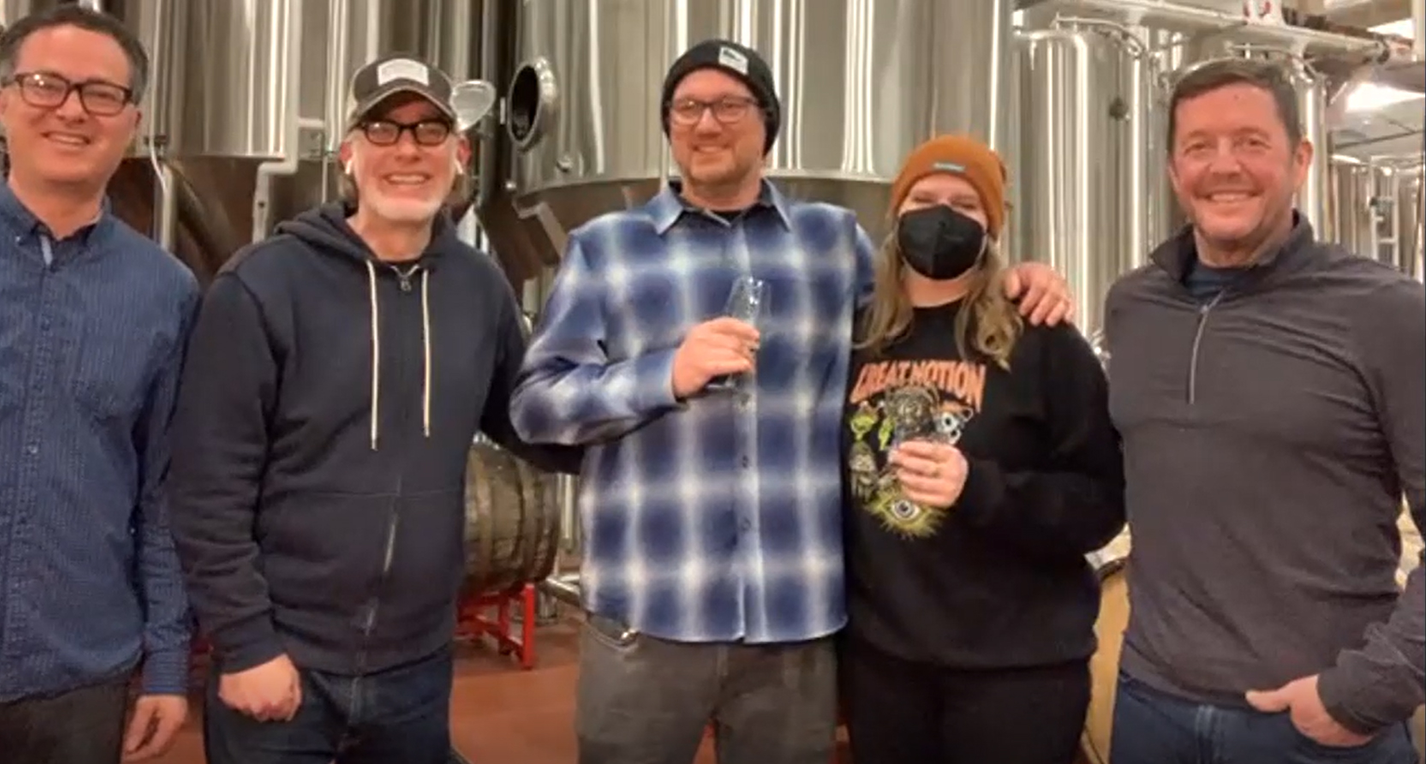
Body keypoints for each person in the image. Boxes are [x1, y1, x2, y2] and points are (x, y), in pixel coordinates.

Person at [510, 37, 1076, 764]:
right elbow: (535, 405)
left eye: (729, 106)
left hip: (794, 621)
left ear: (768, 124)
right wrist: (664, 374)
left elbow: (930, 317)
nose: (705, 123)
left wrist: (1018, 277)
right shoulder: (606, 248)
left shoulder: (833, 242)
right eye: (687, 107)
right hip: (648, 616)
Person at [167, 54, 580, 764]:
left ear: (460, 155)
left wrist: (653, 404)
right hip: (286, 660)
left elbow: (531, 421)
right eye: (383, 130)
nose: (407, 150)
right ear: (349, 156)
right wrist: (246, 643)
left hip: (416, 667)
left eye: (429, 131)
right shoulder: (264, 286)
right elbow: (207, 486)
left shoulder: (478, 288)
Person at [1104, 57, 1424, 764]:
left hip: (1316, 726)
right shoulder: (1134, 306)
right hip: (1151, 706)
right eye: (1199, 146)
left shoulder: (1387, 312)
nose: (1224, 165)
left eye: (1251, 142)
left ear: (1301, 159)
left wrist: (1371, 689)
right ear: (1173, 170)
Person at [840, 133, 1126, 764]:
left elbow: (1103, 503)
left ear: (991, 227)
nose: (941, 217)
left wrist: (980, 488)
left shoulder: (1043, 340)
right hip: (884, 665)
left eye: (965, 205)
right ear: (896, 213)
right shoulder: (858, 336)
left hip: (1017, 671)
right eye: (924, 199)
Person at [0, 3, 196, 763]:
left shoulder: (166, 292)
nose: (72, 110)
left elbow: (164, 494)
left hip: (77, 682)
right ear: (1, 101)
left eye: (101, 94)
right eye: (46, 84)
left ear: (132, 122)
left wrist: (167, 662)